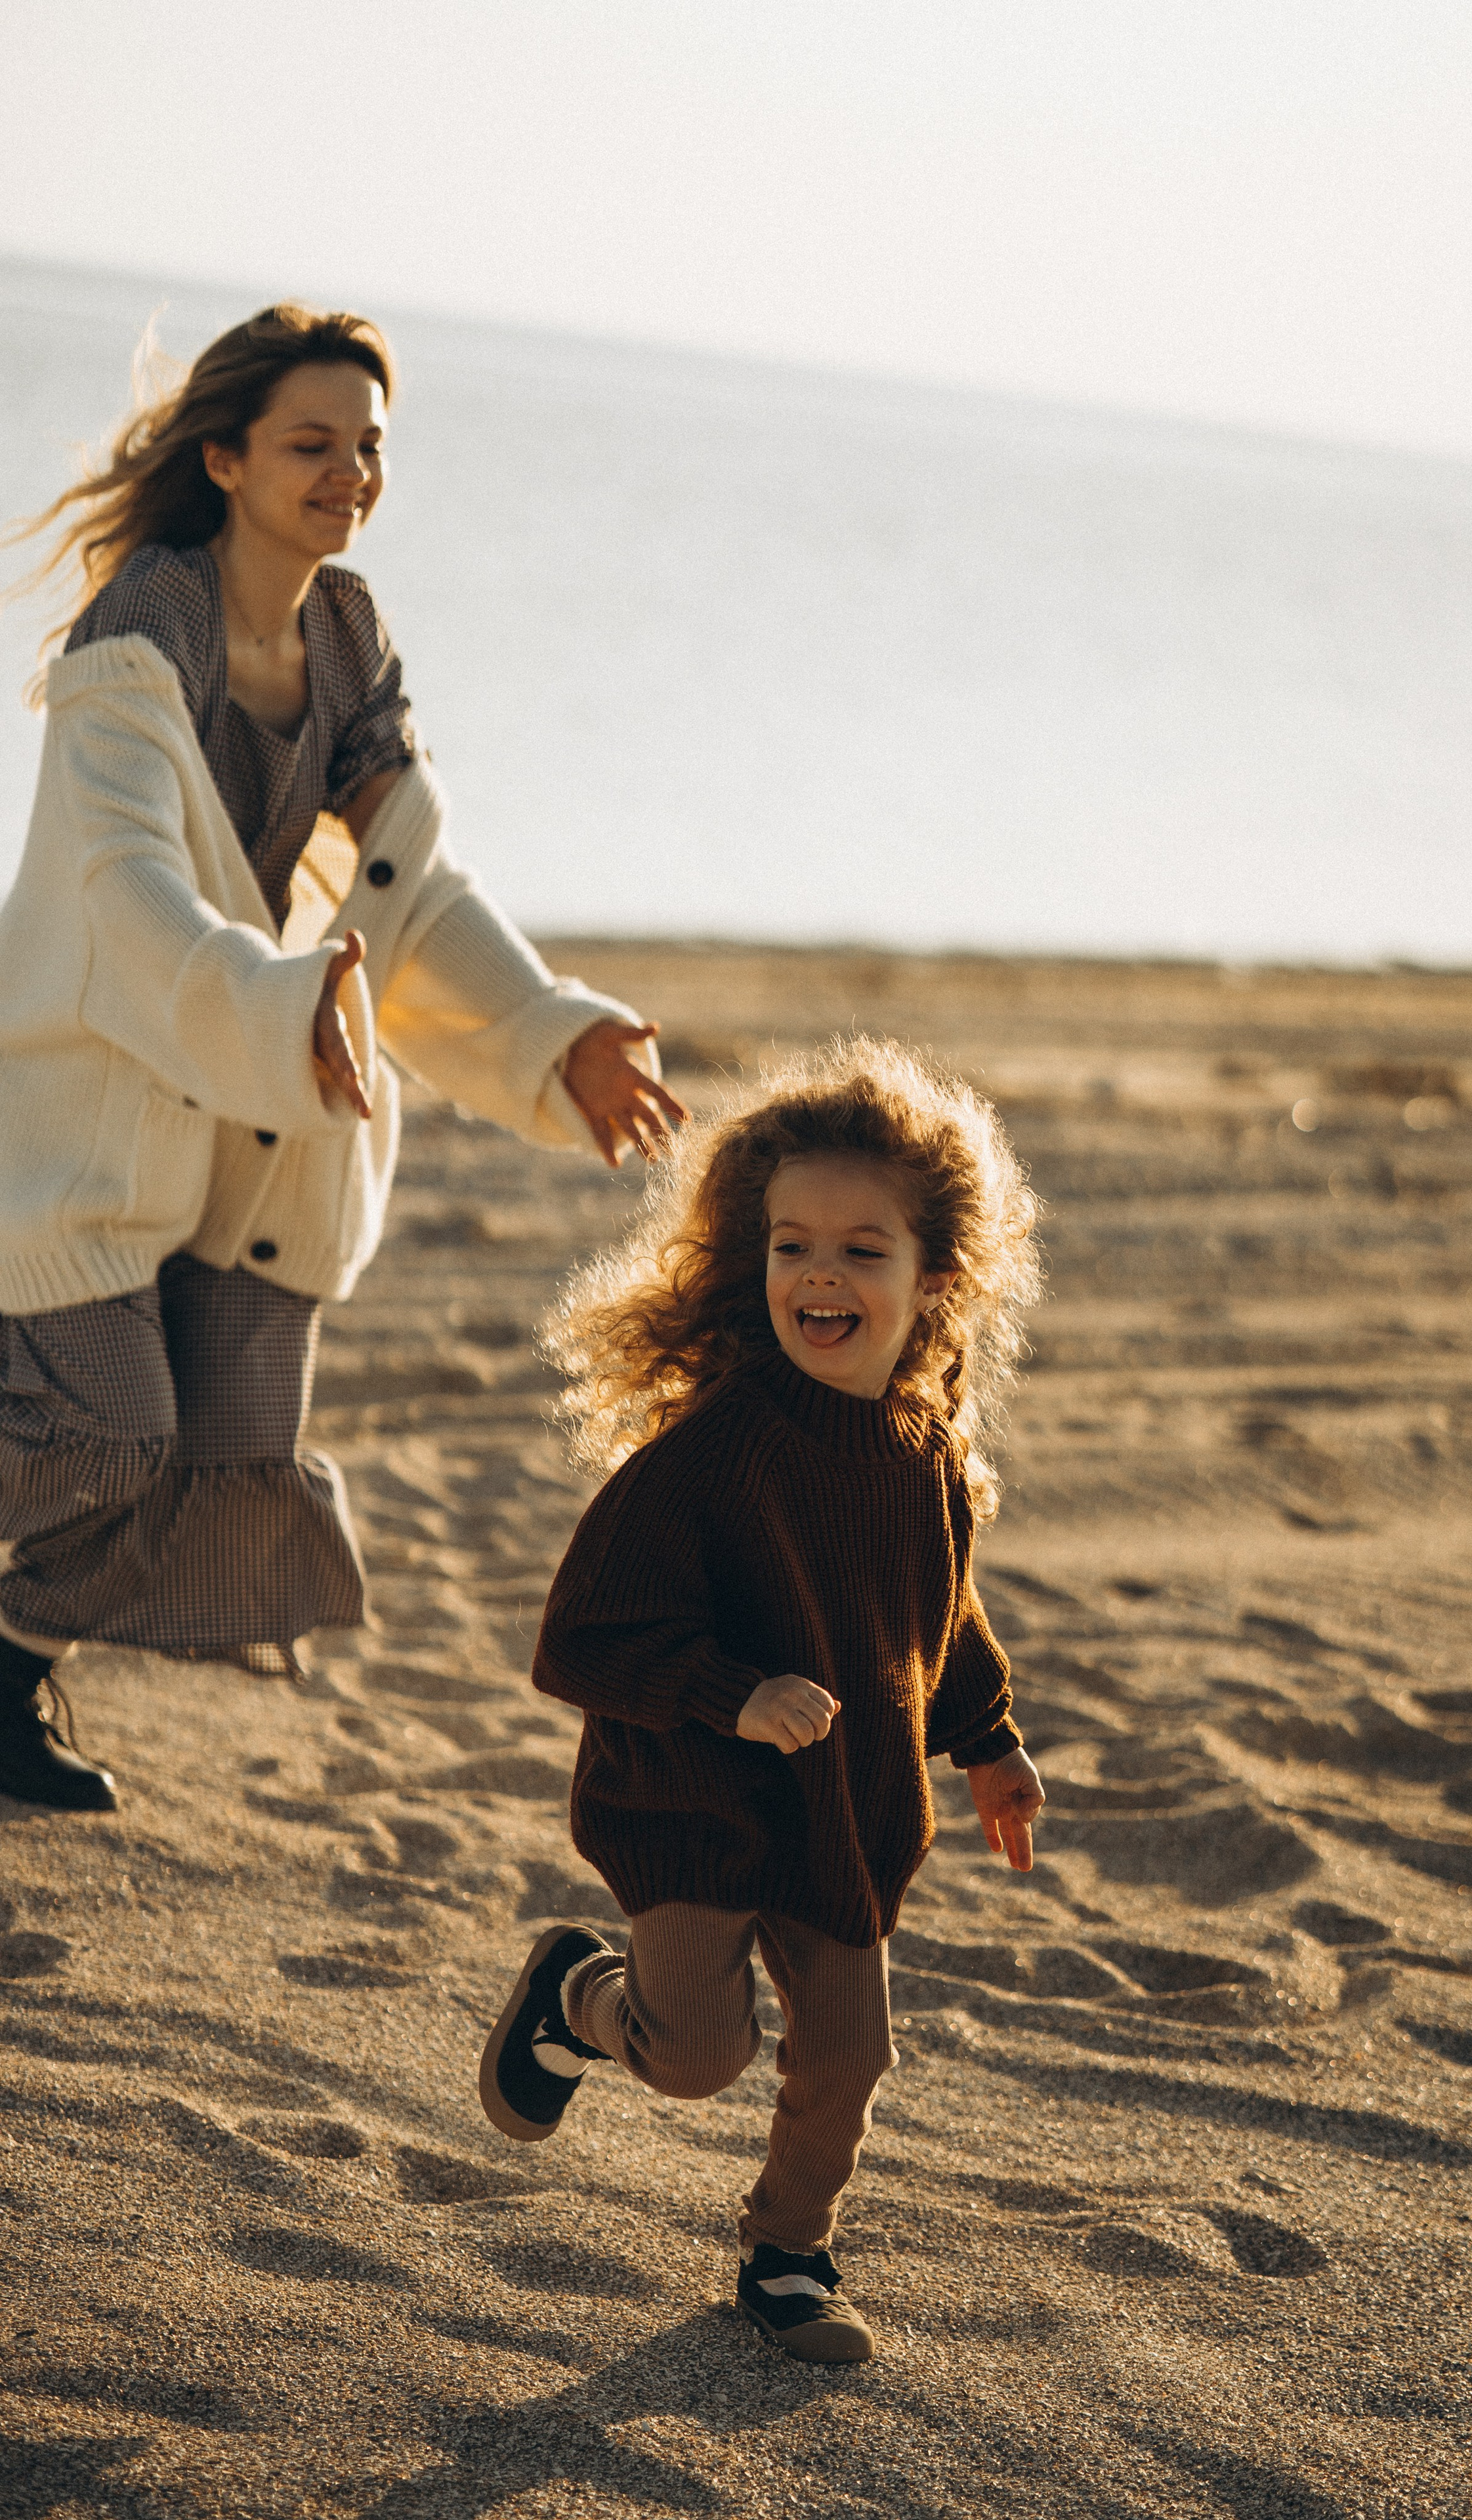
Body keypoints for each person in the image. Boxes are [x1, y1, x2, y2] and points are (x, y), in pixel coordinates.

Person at [0, 302, 687, 1812]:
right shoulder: (139, 639)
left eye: (369, 447)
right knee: (109, 1431)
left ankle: (4, 1670)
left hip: (260, 1123)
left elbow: (412, 894)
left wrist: (549, 1034)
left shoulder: (347, 641)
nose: (349, 473)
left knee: (220, 1457)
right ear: (227, 458)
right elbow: (127, 897)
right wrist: (269, 1001)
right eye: (313, 444)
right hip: (103, 1095)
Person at [475, 1039, 1047, 2362]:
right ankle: (576, 1998)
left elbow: (934, 1621)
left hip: (839, 1816)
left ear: (934, 1280)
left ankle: (787, 2255)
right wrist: (729, 1697)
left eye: (860, 1249)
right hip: (692, 1798)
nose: (821, 1277)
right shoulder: (708, 1460)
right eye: (791, 1247)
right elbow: (579, 1641)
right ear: (758, 1261)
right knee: (692, 2057)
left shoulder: (927, 1466)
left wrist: (989, 1741)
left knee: (847, 2059)